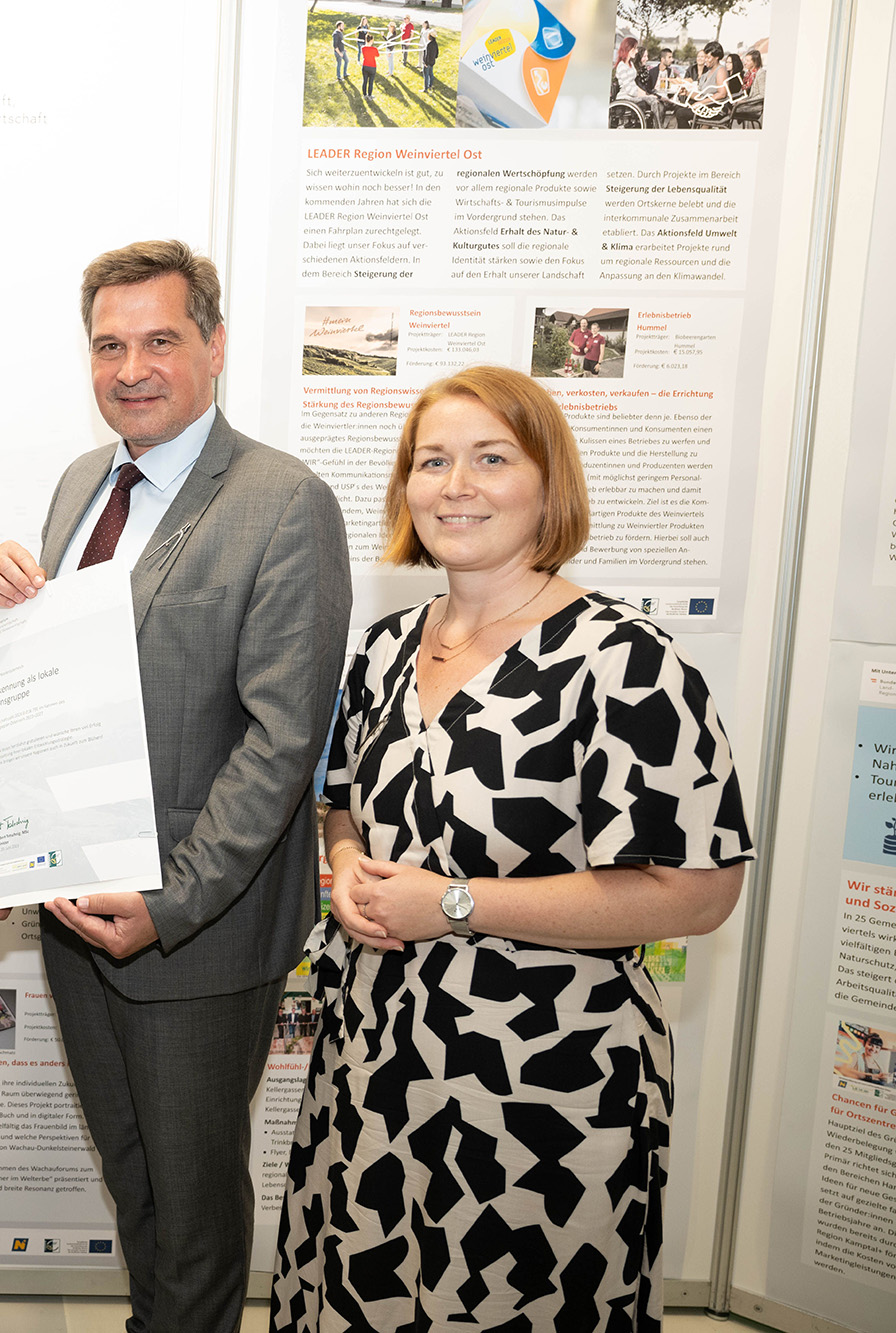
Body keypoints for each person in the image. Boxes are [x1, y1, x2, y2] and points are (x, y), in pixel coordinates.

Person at [270, 364, 750, 1332]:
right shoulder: (382, 650)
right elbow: (340, 801)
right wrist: (349, 854)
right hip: (373, 1077)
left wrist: (454, 901)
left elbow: (697, 892)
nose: (455, 485)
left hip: (543, 1104)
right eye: (431, 460)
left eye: (490, 458)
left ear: (546, 482)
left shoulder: (623, 660)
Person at [0, 240, 350, 1333]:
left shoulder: (285, 502)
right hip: (73, 910)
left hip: (192, 931)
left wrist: (170, 902)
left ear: (214, 347)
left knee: (191, 1216)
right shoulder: (78, 485)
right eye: (107, 344)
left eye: (158, 340)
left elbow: (281, 746)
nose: (130, 367)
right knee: (132, 1183)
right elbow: (50, 693)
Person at [422, 23, 439, 94]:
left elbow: (427, 55)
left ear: (430, 36)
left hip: (427, 63)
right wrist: (434, 58)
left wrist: (425, 63)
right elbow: (437, 54)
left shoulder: (429, 45)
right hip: (432, 62)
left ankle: (425, 88)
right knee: (431, 74)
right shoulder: (435, 44)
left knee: (426, 75)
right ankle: (430, 85)